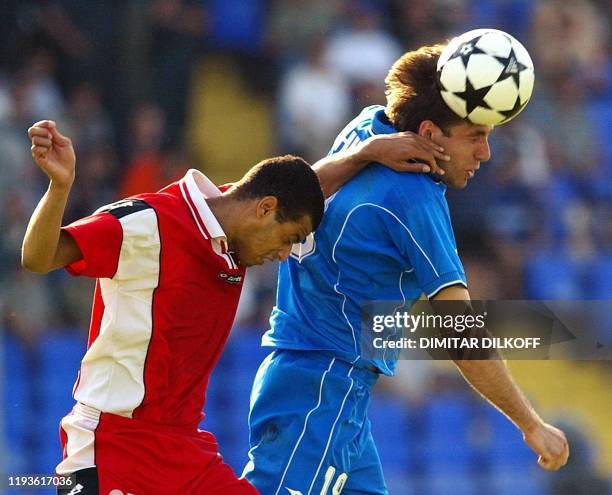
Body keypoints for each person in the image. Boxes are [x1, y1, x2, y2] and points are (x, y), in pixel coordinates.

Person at [23, 119, 448, 495]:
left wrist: (369, 151)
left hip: (184, 451)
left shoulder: (236, 228)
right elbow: (39, 258)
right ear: (265, 210)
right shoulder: (148, 224)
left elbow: (300, 186)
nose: (285, 255)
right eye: (290, 237)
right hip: (115, 445)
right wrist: (60, 188)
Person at [243, 44, 570, 494]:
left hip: (324, 386)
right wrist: (530, 423)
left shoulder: (368, 131)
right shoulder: (413, 198)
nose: (486, 153)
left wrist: (365, 152)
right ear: (431, 133)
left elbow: (299, 187)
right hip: (322, 390)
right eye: (475, 135)